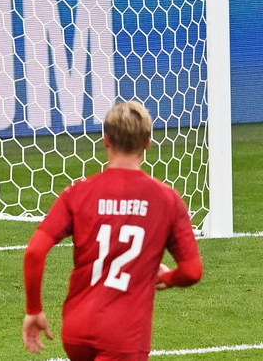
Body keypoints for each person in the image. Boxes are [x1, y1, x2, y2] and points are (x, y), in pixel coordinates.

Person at [22, 100, 203, 359]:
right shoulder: (166, 199)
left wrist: (34, 309)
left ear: (106, 140)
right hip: (124, 335)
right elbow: (192, 272)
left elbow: (35, 252)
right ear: (148, 143)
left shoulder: (78, 193)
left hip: (76, 328)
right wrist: (165, 277)